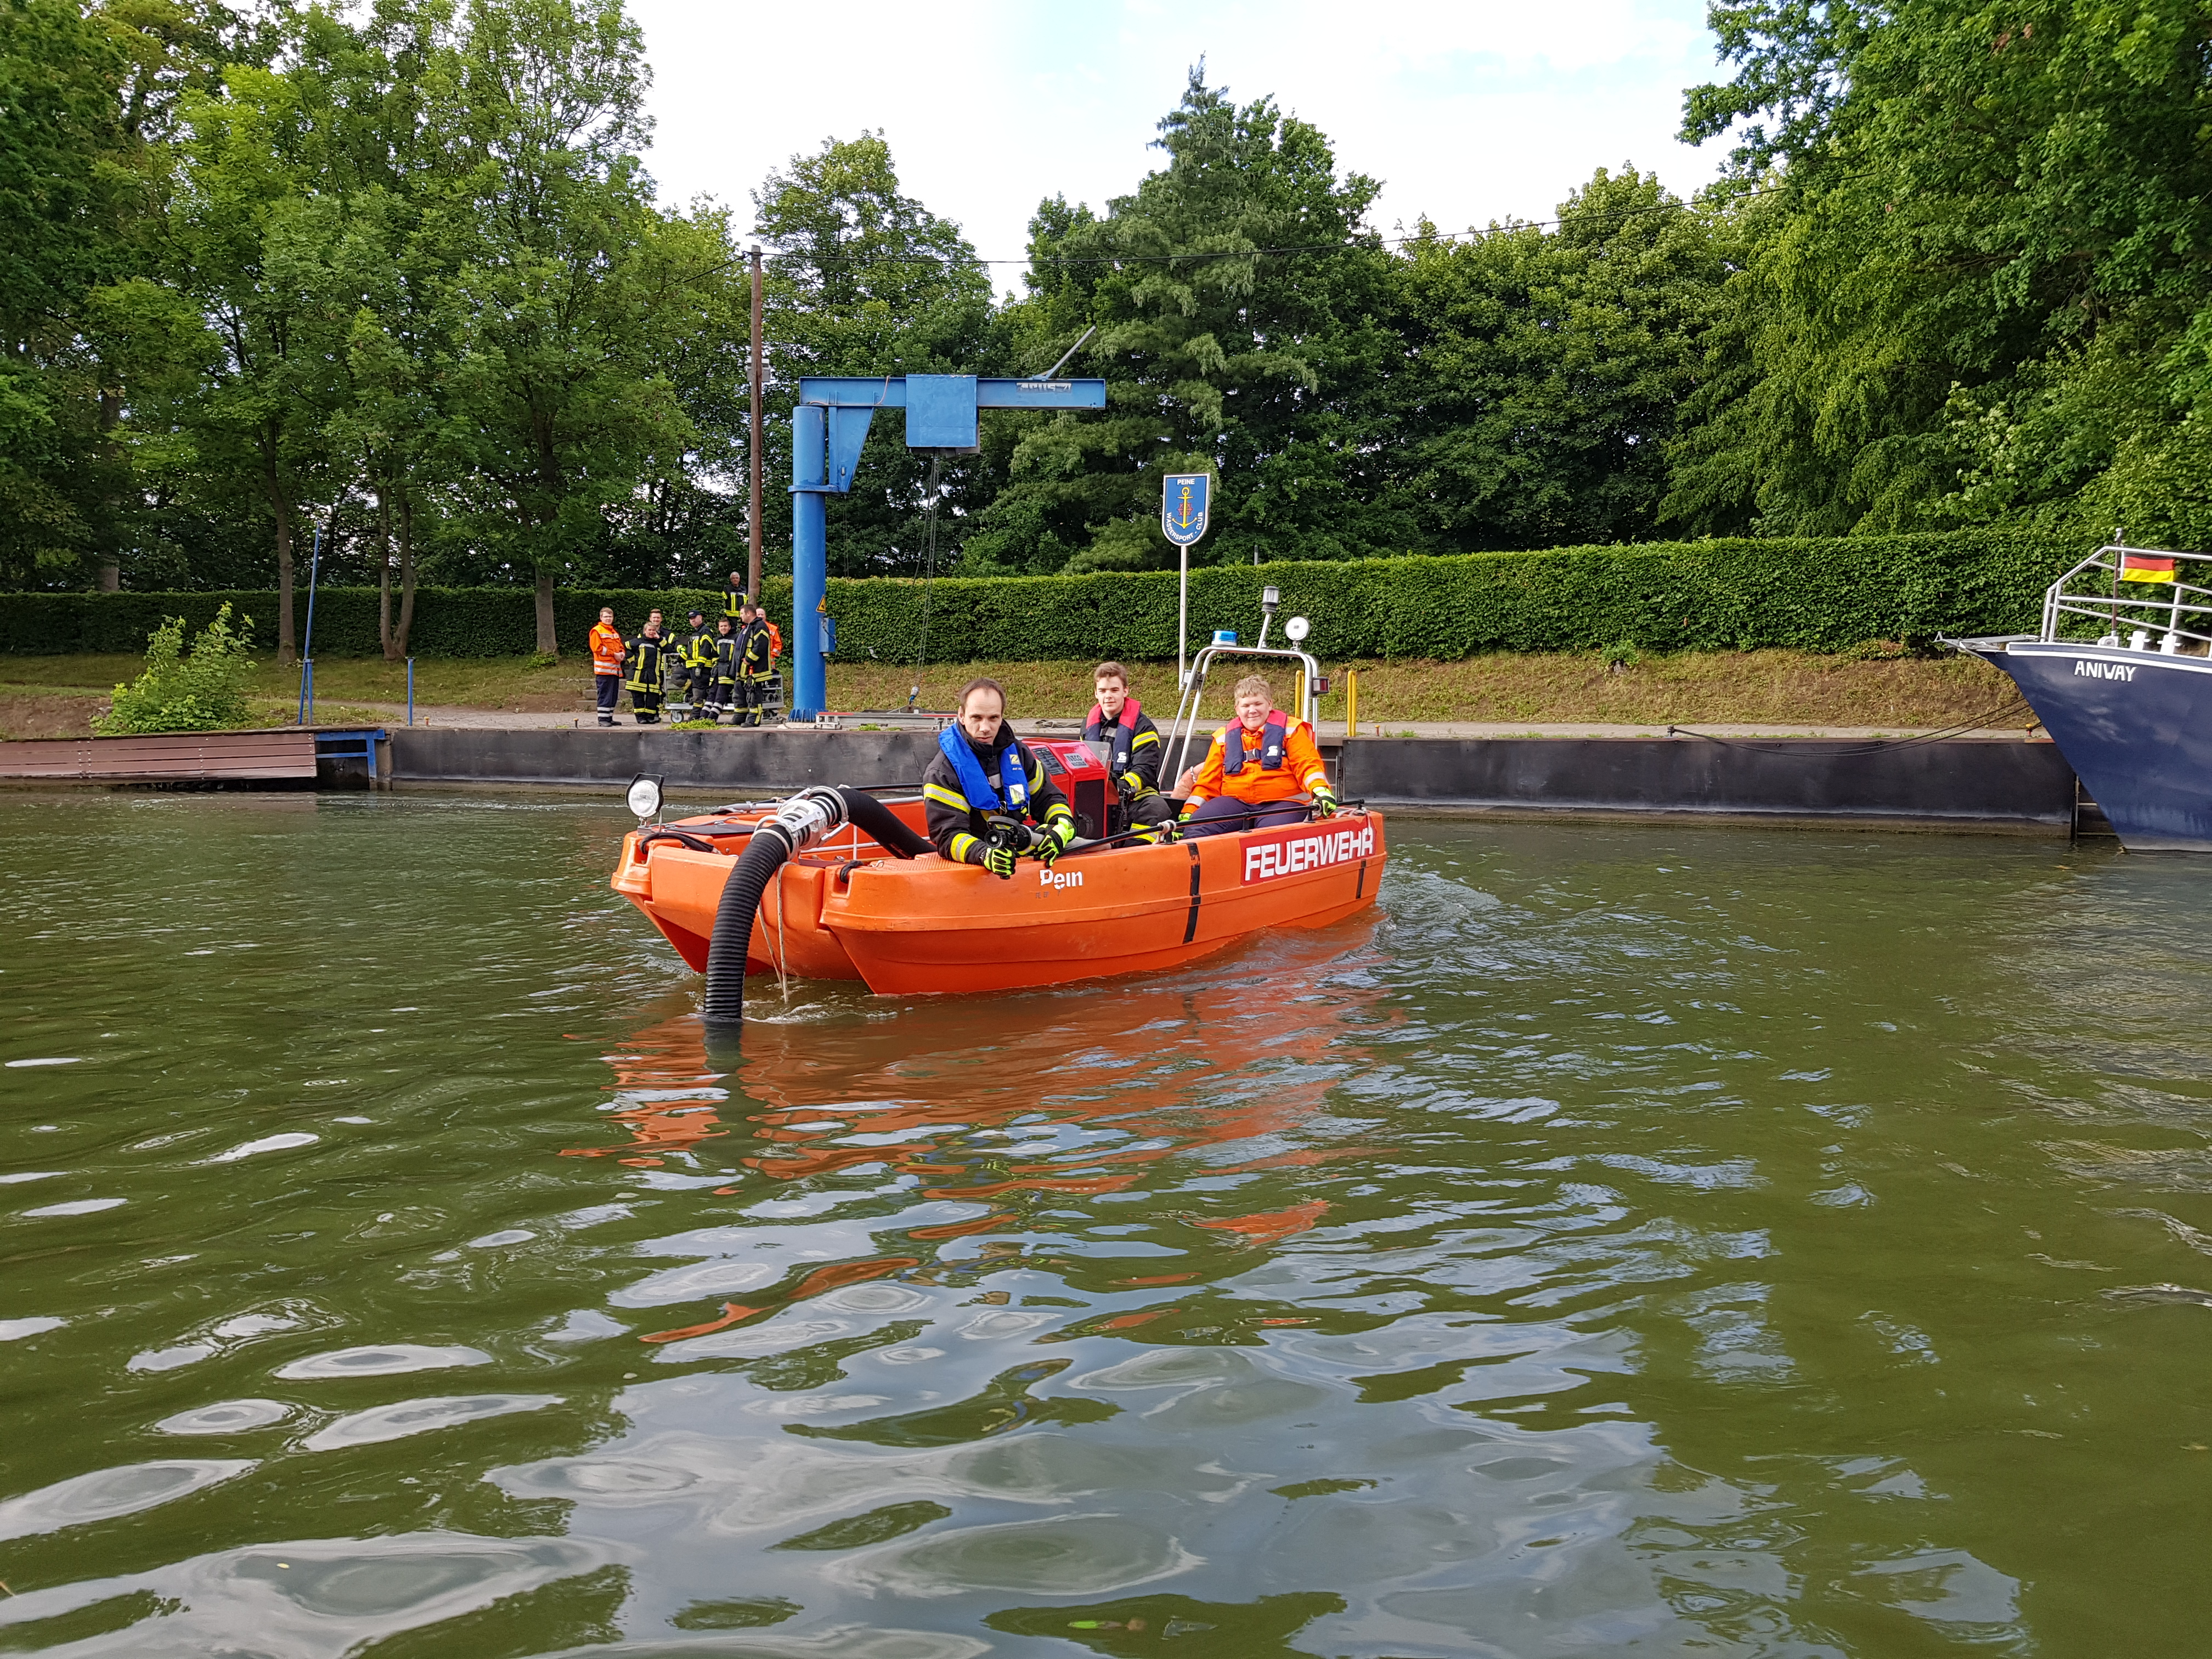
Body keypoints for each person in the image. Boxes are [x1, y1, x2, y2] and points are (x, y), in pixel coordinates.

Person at [923, 678, 1076, 877]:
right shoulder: (943, 771)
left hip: (1023, 846)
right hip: (975, 866)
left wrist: (1062, 828)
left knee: (1101, 849)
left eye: (993, 718)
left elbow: (1049, 798)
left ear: (1002, 716)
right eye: (977, 718)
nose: (985, 728)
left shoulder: (1019, 754)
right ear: (961, 716)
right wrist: (985, 855)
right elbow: (948, 836)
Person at [1178, 674, 1337, 838]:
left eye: (1258, 704)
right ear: (1237, 709)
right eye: (1246, 705)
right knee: (1195, 829)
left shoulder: (1292, 730)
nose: (1252, 710)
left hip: (1283, 802)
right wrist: (1189, 813)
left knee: (1270, 838)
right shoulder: (1223, 737)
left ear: (1270, 705)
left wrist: (1320, 791)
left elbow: (1307, 764)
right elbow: (1208, 782)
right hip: (1235, 802)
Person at [1083, 661, 1175, 840]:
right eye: (1103, 691)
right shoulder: (1088, 727)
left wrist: (1118, 788)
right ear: (1096, 694)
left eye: (1114, 690)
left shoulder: (1144, 728)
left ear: (1126, 691)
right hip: (1098, 798)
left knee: (1157, 809)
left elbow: (1145, 771)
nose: (1108, 696)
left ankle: (1132, 853)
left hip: (1135, 798)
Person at [623, 614, 670, 725]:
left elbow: (669, 650)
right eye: (650, 630)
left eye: (654, 630)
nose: (652, 632)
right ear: (645, 631)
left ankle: (650, 717)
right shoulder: (638, 642)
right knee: (638, 697)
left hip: (653, 675)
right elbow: (624, 647)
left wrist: (660, 639)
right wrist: (632, 660)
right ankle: (640, 718)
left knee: (652, 698)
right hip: (639, 674)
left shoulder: (659, 643)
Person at [733, 602, 774, 728]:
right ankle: (740, 716)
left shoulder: (760, 626)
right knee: (740, 692)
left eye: (741, 614)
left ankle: (753, 720)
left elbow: (760, 646)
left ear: (749, 613)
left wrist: (749, 660)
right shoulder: (748, 627)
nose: (740, 617)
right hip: (745, 668)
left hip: (755, 669)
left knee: (754, 694)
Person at [588, 607, 625, 726]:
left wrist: (622, 654)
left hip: (614, 669)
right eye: (606, 617)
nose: (608, 619)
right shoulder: (597, 631)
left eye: (610, 617)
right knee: (604, 694)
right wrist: (614, 654)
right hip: (604, 670)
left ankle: (609, 718)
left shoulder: (613, 632)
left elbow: (620, 646)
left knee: (613, 695)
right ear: (601, 618)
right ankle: (603, 719)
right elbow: (597, 648)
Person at [679, 608, 715, 718]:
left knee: (698, 693)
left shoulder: (706, 631)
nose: (693, 620)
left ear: (701, 617)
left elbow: (705, 649)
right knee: (676, 676)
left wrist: (700, 666)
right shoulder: (695, 632)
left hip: (701, 667)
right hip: (691, 666)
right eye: (690, 619)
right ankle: (690, 691)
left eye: (694, 618)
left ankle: (695, 717)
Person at [708, 615, 738, 723]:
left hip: (729, 672)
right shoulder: (717, 640)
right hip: (718, 671)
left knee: (721, 694)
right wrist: (716, 666)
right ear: (718, 628)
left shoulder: (736, 638)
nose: (723, 628)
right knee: (712, 693)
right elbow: (714, 655)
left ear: (729, 627)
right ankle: (704, 716)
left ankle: (712, 718)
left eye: (725, 626)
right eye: (721, 626)